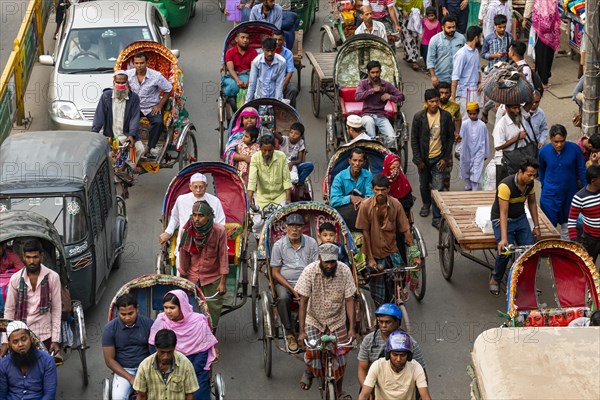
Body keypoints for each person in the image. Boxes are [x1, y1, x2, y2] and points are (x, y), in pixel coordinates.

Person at [296, 243, 357, 400]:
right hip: (314, 319)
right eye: (326, 262)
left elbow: (349, 300)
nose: (329, 265)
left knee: (342, 355)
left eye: (332, 262)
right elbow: (303, 302)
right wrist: (301, 331)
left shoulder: (344, 271)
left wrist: (352, 328)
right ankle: (310, 371)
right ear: (320, 259)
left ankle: (339, 390)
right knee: (313, 352)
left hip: (337, 319)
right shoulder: (309, 271)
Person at [356, 175, 422, 306]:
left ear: (388, 189)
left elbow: (406, 230)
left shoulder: (396, 204)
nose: (380, 193)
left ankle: (398, 293)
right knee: (379, 294)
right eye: (377, 190)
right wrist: (370, 258)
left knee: (399, 277)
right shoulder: (365, 206)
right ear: (373, 189)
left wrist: (415, 254)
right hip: (374, 253)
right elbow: (365, 233)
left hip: (392, 250)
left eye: (383, 190)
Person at [148, 292, 218, 400]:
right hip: (167, 365)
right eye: (165, 307)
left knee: (197, 395)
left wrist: (188, 372)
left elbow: (203, 352)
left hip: (195, 366)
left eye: (172, 308)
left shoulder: (199, 323)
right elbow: (153, 347)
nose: (168, 311)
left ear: (182, 307)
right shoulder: (161, 321)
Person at [1, 239, 61, 358]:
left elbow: (56, 309)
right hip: (20, 334)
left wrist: (55, 340)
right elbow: (9, 310)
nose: (31, 261)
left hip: (45, 334)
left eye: (35, 257)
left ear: (41, 256)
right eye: (28, 257)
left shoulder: (52, 277)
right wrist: (4, 341)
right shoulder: (15, 279)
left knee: (45, 370)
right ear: (23, 256)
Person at [489, 159, 541, 295]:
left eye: (534, 175)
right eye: (529, 175)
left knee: (530, 251)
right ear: (520, 172)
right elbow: (503, 212)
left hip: (520, 218)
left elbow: (532, 204)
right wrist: (504, 238)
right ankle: (495, 278)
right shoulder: (505, 186)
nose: (532, 178)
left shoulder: (530, 185)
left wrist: (536, 226)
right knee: (506, 251)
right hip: (501, 219)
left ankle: (525, 281)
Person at [270, 213, 319, 353]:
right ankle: (290, 333)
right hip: (286, 283)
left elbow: (315, 267)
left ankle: (314, 330)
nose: (295, 230)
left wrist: (306, 287)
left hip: (308, 281)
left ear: (303, 229)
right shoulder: (279, 245)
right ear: (286, 228)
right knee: (283, 298)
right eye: (292, 226)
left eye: (298, 227)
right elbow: (275, 273)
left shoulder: (311, 243)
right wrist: (292, 289)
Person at [178, 201, 229, 330]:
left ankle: (211, 337)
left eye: (200, 215)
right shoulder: (187, 230)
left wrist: (223, 282)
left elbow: (223, 256)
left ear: (208, 216)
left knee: (213, 311)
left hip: (212, 276)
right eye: (194, 215)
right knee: (190, 310)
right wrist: (182, 280)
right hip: (192, 275)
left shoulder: (219, 231)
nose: (196, 219)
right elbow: (184, 256)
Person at [159, 173, 226, 266]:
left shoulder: (214, 201)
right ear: (190, 186)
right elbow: (175, 218)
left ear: (206, 186)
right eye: (195, 187)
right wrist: (168, 232)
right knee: (182, 268)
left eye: (201, 187)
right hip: (186, 241)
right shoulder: (181, 200)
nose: (198, 190)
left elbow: (221, 224)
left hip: (208, 242)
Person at [411, 88, 455, 228]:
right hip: (424, 160)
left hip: (438, 158)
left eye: (436, 101)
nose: (434, 104)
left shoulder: (446, 116)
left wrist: (445, 158)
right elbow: (414, 140)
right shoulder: (419, 117)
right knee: (424, 185)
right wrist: (418, 160)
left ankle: (436, 217)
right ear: (426, 102)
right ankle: (426, 204)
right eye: (431, 101)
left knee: (437, 188)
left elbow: (449, 138)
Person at [357, 304, 427, 390]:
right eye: (380, 322)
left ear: (398, 322)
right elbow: (362, 369)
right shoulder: (368, 340)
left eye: (388, 322)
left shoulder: (411, 343)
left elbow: (422, 375)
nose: (383, 326)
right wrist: (366, 390)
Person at [92, 70, 145, 180]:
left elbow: (135, 118)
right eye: (118, 82)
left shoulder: (134, 98)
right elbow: (99, 116)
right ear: (114, 82)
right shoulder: (106, 96)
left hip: (126, 135)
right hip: (110, 134)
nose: (120, 85)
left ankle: (122, 169)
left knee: (140, 149)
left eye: (123, 83)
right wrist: (94, 133)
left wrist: (132, 135)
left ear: (127, 83)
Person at [102, 292, 154, 400]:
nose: (127, 318)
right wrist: (131, 378)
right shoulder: (109, 329)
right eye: (123, 314)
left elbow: (154, 352)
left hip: (146, 368)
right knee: (118, 397)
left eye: (131, 313)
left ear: (137, 309)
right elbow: (109, 360)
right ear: (117, 312)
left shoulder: (149, 324)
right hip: (123, 370)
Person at [538, 125, 586, 240]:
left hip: (569, 194)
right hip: (549, 195)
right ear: (550, 138)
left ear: (565, 138)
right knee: (548, 228)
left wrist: (586, 191)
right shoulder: (543, 152)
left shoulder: (574, 149)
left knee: (568, 226)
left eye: (562, 141)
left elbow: (582, 170)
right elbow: (541, 170)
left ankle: (565, 254)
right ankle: (549, 254)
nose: (559, 145)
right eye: (556, 142)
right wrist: (545, 186)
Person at [126, 52, 173, 159]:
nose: (139, 66)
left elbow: (168, 89)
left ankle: (149, 147)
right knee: (125, 120)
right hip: (135, 106)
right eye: (136, 63)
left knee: (159, 123)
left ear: (147, 63)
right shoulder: (128, 74)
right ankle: (129, 143)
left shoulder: (156, 76)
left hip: (151, 106)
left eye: (141, 63)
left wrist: (160, 105)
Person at [358, 331, 431, 400]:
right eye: (395, 355)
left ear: (409, 356)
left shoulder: (416, 367)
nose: (398, 359)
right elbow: (364, 395)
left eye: (402, 355)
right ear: (388, 354)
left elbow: (425, 396)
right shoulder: (377, 366)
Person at [134, 329, 199, 400]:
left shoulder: (185, 364)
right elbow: (141, 396)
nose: (166, 357)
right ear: (156, 347)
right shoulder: (145, 366)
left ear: (174, 348)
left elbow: (189, 395)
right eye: (162, 352)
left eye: (169, 352)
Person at [0, 321, 57, 400]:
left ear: (31, 339)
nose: (20, 344)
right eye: (15, 342)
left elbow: (49, 394)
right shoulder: (3, 364)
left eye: (24, 339)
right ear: (10, 345)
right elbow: (1, 394)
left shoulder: (47, 361)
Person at [355, 60, 405, 149]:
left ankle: (381, 151)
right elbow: (357, 97)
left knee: (392, 138)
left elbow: (401, 96)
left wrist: (390, 97)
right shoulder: (363, 83)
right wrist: (373, 90)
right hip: (367, 115)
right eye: (373, 72)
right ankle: (372, 147)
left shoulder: (386, 85)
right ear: (368, 72)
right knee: (370, 127)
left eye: (377, 72)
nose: (375, 75)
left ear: (380, 71)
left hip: (381, 115)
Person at [330, 148, 374, 230]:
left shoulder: (368, 175)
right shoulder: (339, 177)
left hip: (363, 207)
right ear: (349, 161)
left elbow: (371, 194)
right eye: (354, 160)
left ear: (364, 163)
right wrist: (350, 198)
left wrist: (364, 201)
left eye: (360, 161)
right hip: (345, 211)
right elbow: (334, 200)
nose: (357, 164)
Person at [247, 134, 292, 210]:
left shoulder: (281, 156)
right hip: (262, 199)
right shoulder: (255, 158)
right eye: (264, 150)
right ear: (260, 148)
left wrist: (288, 200)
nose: (267, 153)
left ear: (274, 148)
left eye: (270, 150)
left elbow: (286, 180)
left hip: (279, 197)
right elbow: (252, 181)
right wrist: (249, 202)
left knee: (282, 219)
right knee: (257, 221)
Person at [524, 0, 560, 90]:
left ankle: (543, 80)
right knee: (544, 54)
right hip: (543, 27)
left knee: (545, 54)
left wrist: (525, 17)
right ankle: (542, 81)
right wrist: (525, 17)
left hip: (548, 26)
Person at [568, 165, 600, 262]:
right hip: (590, 239)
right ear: (593, 181)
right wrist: (574, 242)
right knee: (588, 266)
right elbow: (571, 221)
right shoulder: (579, 197)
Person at [492, 103, 528, 186]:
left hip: (518, 160)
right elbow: (498, 147)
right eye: (514, 108)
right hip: (505, 164)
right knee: (504, 191)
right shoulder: (501, 125)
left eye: (518, 107)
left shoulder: (520, 119)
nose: (517, 110)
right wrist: (517, 137)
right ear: (506, 108)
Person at [451, 25, 483, 118]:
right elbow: (455, 77)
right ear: (476, 37)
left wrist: (480, 82)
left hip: (475, 93)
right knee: (465, 122)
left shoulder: (476, 51)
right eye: (480, 37)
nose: (481, 39)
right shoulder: (461, 54)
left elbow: (478, 69)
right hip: (463, 95)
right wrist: (453, 97)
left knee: (476, 120)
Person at [223, 29, 258, 112]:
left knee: (254, 87)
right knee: (231, 87)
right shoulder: (230, 52)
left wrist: (249, 81)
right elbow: (230, 69)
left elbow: (254, 69)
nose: (245, 40)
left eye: (247, 38)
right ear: (236, 39)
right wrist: (238, 80)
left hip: (248, 75)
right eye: (242, 37)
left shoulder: (253, 52)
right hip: (235, 75)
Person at [426, 15, 466, 87]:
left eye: (453, 27)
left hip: (458, 79)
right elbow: (430, 59)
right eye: (449, 27)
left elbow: (466, 57)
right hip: (441, 79)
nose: (452, 29)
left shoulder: (461, 38)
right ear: (443, 27)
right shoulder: (435, 40)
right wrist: (433, 76)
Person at [436, 81, 462, 188]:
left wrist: (457, 132)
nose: (444, 95)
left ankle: (445, 193)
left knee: (447, 169)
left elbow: (458, 119)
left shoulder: (455, 107)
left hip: (447, 142)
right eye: (441, 93)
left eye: (446, 93)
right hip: (434, 142)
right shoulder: (432, 104)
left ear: (450, 93)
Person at [245, 38, 286, 103]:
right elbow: (252, 83)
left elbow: (279, 84)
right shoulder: (256, 62)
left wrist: (277, 103)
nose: (270, 53)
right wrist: (247, 102)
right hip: (259, 97)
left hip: (274, 97)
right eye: (267, 51)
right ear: (263, 49)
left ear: (275, 49)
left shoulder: (282, 62)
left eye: (272, 51)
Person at [459, 102, 489, 191]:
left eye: (474, 114)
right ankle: (468, 185)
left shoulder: (482, 125)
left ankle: (475, 189)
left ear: (478, 113)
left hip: (479, 151)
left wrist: (486, 154)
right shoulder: (464, 124)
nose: (472, 116)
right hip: (466, 151)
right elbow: (460, 137)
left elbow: (486, 140)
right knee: (466, 169)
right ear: (467, 113)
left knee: (476, 171)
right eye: (470, 114)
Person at [272, 30, 299, 108]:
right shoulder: (266, 52)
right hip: (268, 82)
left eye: (280, 40)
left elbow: (290, 71)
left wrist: (283, 84)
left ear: (283, 40)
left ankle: (290, 112)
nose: (277, 42)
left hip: (282, 80)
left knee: (293, 90)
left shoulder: (288, 53)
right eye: (275, 40)